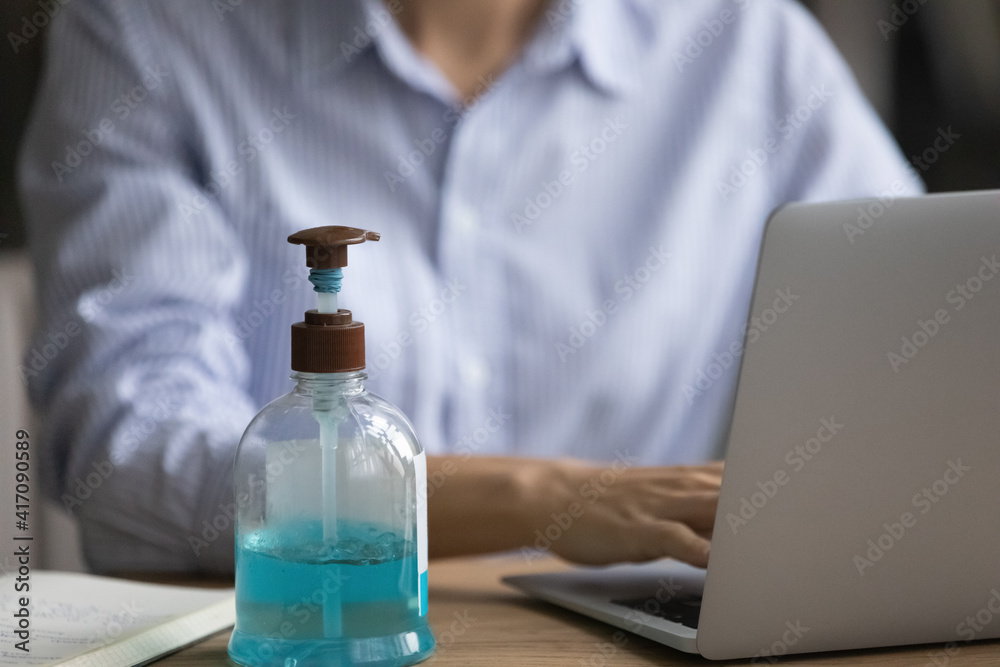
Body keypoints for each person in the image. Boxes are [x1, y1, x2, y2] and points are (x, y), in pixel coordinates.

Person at [18, 0, 921, 573]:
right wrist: (544, 498)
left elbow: (929, 349)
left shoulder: (747, 48)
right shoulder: (144, 29)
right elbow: (125, 454)